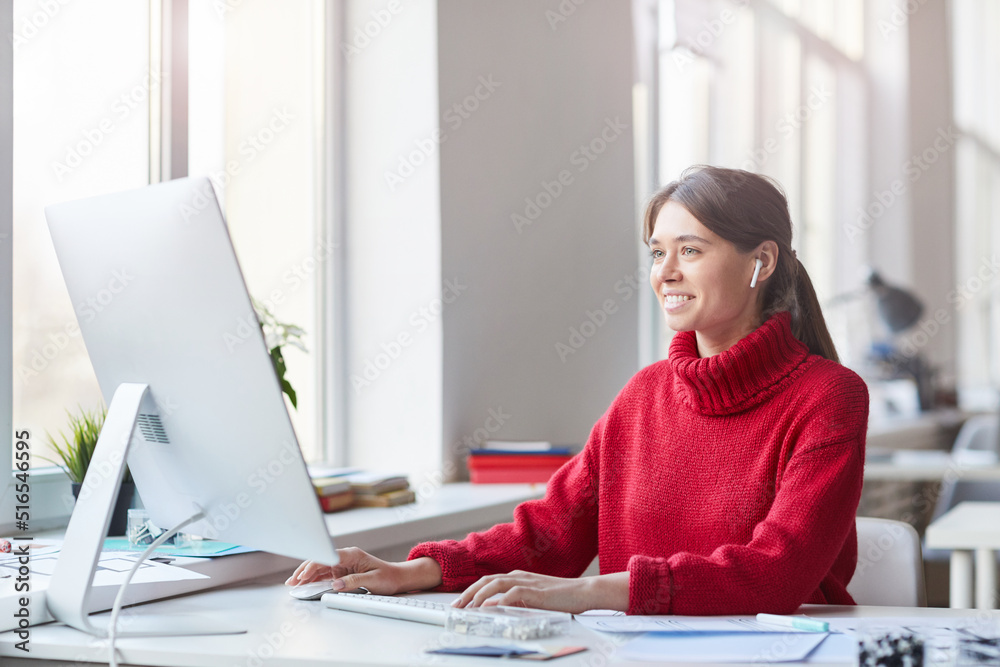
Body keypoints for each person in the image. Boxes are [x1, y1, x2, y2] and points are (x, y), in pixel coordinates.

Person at [287, 165, 868, 616]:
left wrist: (585, 592)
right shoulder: (644, 395)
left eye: (689, 250)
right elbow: (547, 535)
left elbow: (776, 571)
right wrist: (411, 571)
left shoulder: (829, 398)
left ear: (760, 262)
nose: (664, 272)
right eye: (657, 252)